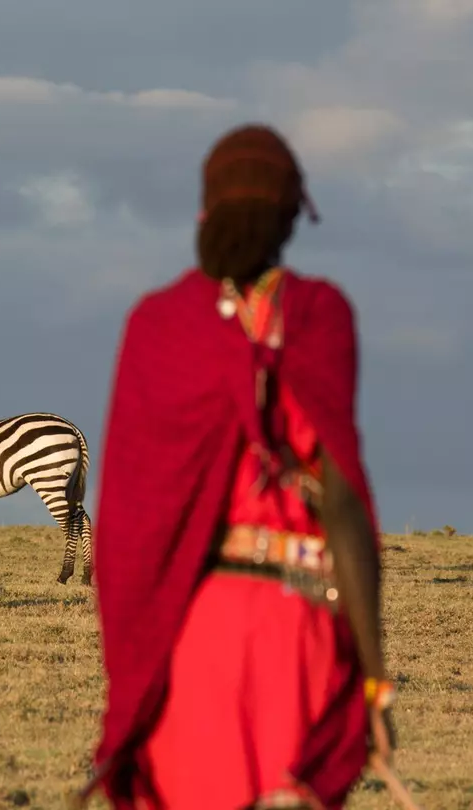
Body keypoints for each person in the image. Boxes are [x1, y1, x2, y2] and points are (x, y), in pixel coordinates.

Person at [90, 124, 396, 809]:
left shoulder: (159, 323)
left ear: (207, 209)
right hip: (303, 633)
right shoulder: (322, 315)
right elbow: (344, 505)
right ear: (293, 213)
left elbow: (130, 528)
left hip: (196, 633)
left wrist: (135, 673)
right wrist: (376, 679)